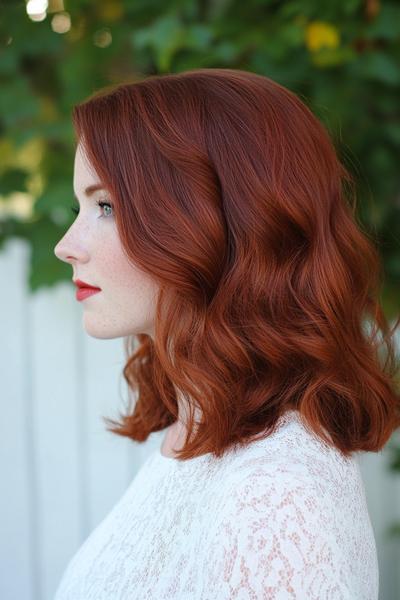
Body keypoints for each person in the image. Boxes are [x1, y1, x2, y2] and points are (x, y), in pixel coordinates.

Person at [53, 68, 400, 599]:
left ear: (214, 223)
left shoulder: (276, 504)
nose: (66, 245)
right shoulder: (202, 435)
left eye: (107, 206)